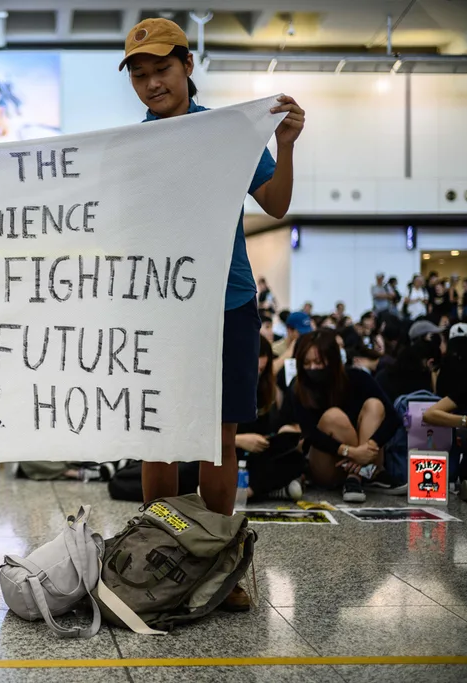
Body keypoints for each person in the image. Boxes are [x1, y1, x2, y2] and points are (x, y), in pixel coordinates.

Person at [121, 17, 305, 611]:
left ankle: (214, 565)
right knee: (160, 438)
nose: (152, 84)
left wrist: (286, 144)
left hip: (228, 300)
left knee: (219, 440)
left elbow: (274, 205)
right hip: (160, 305)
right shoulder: (130, 148)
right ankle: (155, 561)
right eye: (141, 74)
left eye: (162, 69)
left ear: (188, 67)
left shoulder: (227, 135)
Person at [291, 330, 400, 503]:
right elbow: (311, 433)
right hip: (328, 462)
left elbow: (393, 418)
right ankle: (362, 475)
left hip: (366, 459)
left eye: (318, 362)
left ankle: (355, 478)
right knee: (334, 417)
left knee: (375, 405)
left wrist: (369, 447)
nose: (312, 368)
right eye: (307, 363)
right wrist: (352, 452)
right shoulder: (300, 386)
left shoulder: (358, 377)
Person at [235, 336, 305, 501]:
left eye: (260, 371)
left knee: (295, 459)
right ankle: (258, 491)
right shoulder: (224, 387)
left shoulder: (263, 390)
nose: (256, 375)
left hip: (253, 456)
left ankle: (250, 490)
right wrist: (238, 440)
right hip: (227, 450)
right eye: (254, 369)